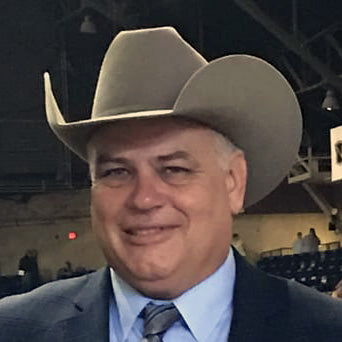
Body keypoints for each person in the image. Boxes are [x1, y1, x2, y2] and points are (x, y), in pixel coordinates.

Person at [1, 27, 342, 341]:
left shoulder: (325, 330)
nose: (144, 198)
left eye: (174, 169)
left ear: (233, 182)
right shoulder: (15, 330)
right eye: (116, 172)